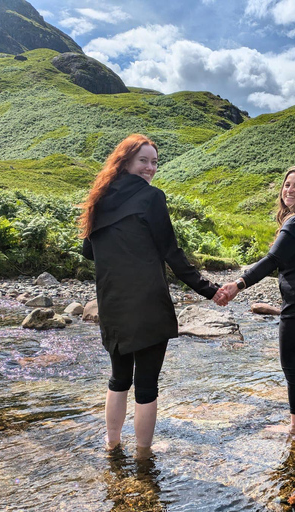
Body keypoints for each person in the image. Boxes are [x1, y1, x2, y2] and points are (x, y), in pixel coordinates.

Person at [79, 133, 226, 452]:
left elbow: (88, 251)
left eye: (155, 162)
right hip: (147, 304)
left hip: (112, 303)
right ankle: (144, 458)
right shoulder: (151, 197)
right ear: (126, 161)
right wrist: (210, 290)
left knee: (119, 379)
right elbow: (172, 254)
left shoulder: (99, 199)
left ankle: (112, 445)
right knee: (146, 386)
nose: (150, 168)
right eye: (143, 160)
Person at [218, 166, 295, 435]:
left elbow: (273, 261)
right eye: (287, 185)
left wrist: (239, 284)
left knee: (294, 371)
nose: (289, 190)